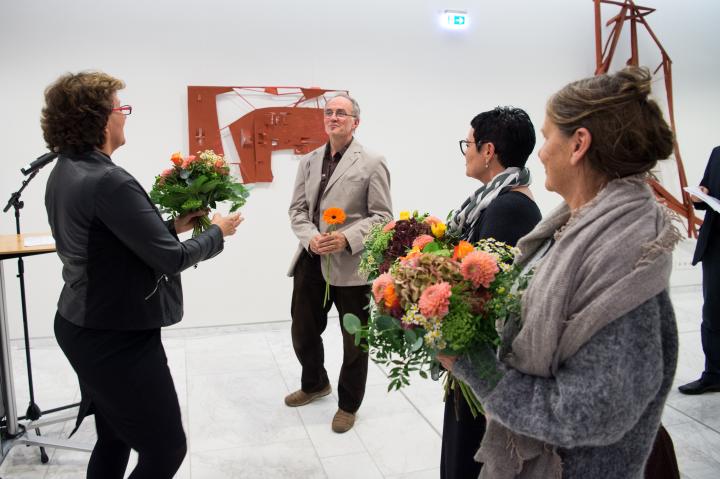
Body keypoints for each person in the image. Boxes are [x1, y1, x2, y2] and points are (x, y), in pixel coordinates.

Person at [438, 66, 681, 478]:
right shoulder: (577, 225)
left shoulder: (623, 256)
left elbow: (584, 414)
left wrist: (467, 361)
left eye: (550, 136)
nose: (541, 151)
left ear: (579, 145)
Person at [42, 71, 242, 479]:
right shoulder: (109, 180)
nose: (125, 116)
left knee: (114, 437)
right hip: (114, 336)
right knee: (166, 450)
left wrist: (170, 226)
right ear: (99, 118)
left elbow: (111, 245)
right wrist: (218, 233)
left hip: (84, 323)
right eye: (121, 108)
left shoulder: (68, 169)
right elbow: (170, 260)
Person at [441, 107, 541, 479]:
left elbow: (483, 295)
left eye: (467, 143)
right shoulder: (495, 200)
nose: (465, 151)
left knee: (469, 456)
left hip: (484, 362)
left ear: (488, 150)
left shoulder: (508, 207)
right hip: (479, 362)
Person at [285, 93, 392, 433]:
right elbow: (297, 210)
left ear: (354, 122)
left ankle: (348, 404)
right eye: (329, 112)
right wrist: (309, 236)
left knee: (354, 341)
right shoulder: (309, 160)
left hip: (352, 266)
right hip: (311, 258)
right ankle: (315, 383)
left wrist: (347, 238)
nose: (333, 117)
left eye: (341, 113)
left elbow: (382, 217)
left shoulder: (373, 161)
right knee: (302, 330)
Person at [678, 146, 720, 394]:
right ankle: (714, 374)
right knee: (713, 310)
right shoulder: (716, 153)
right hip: (716, 242)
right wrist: (699, 196)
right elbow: (708, 190)